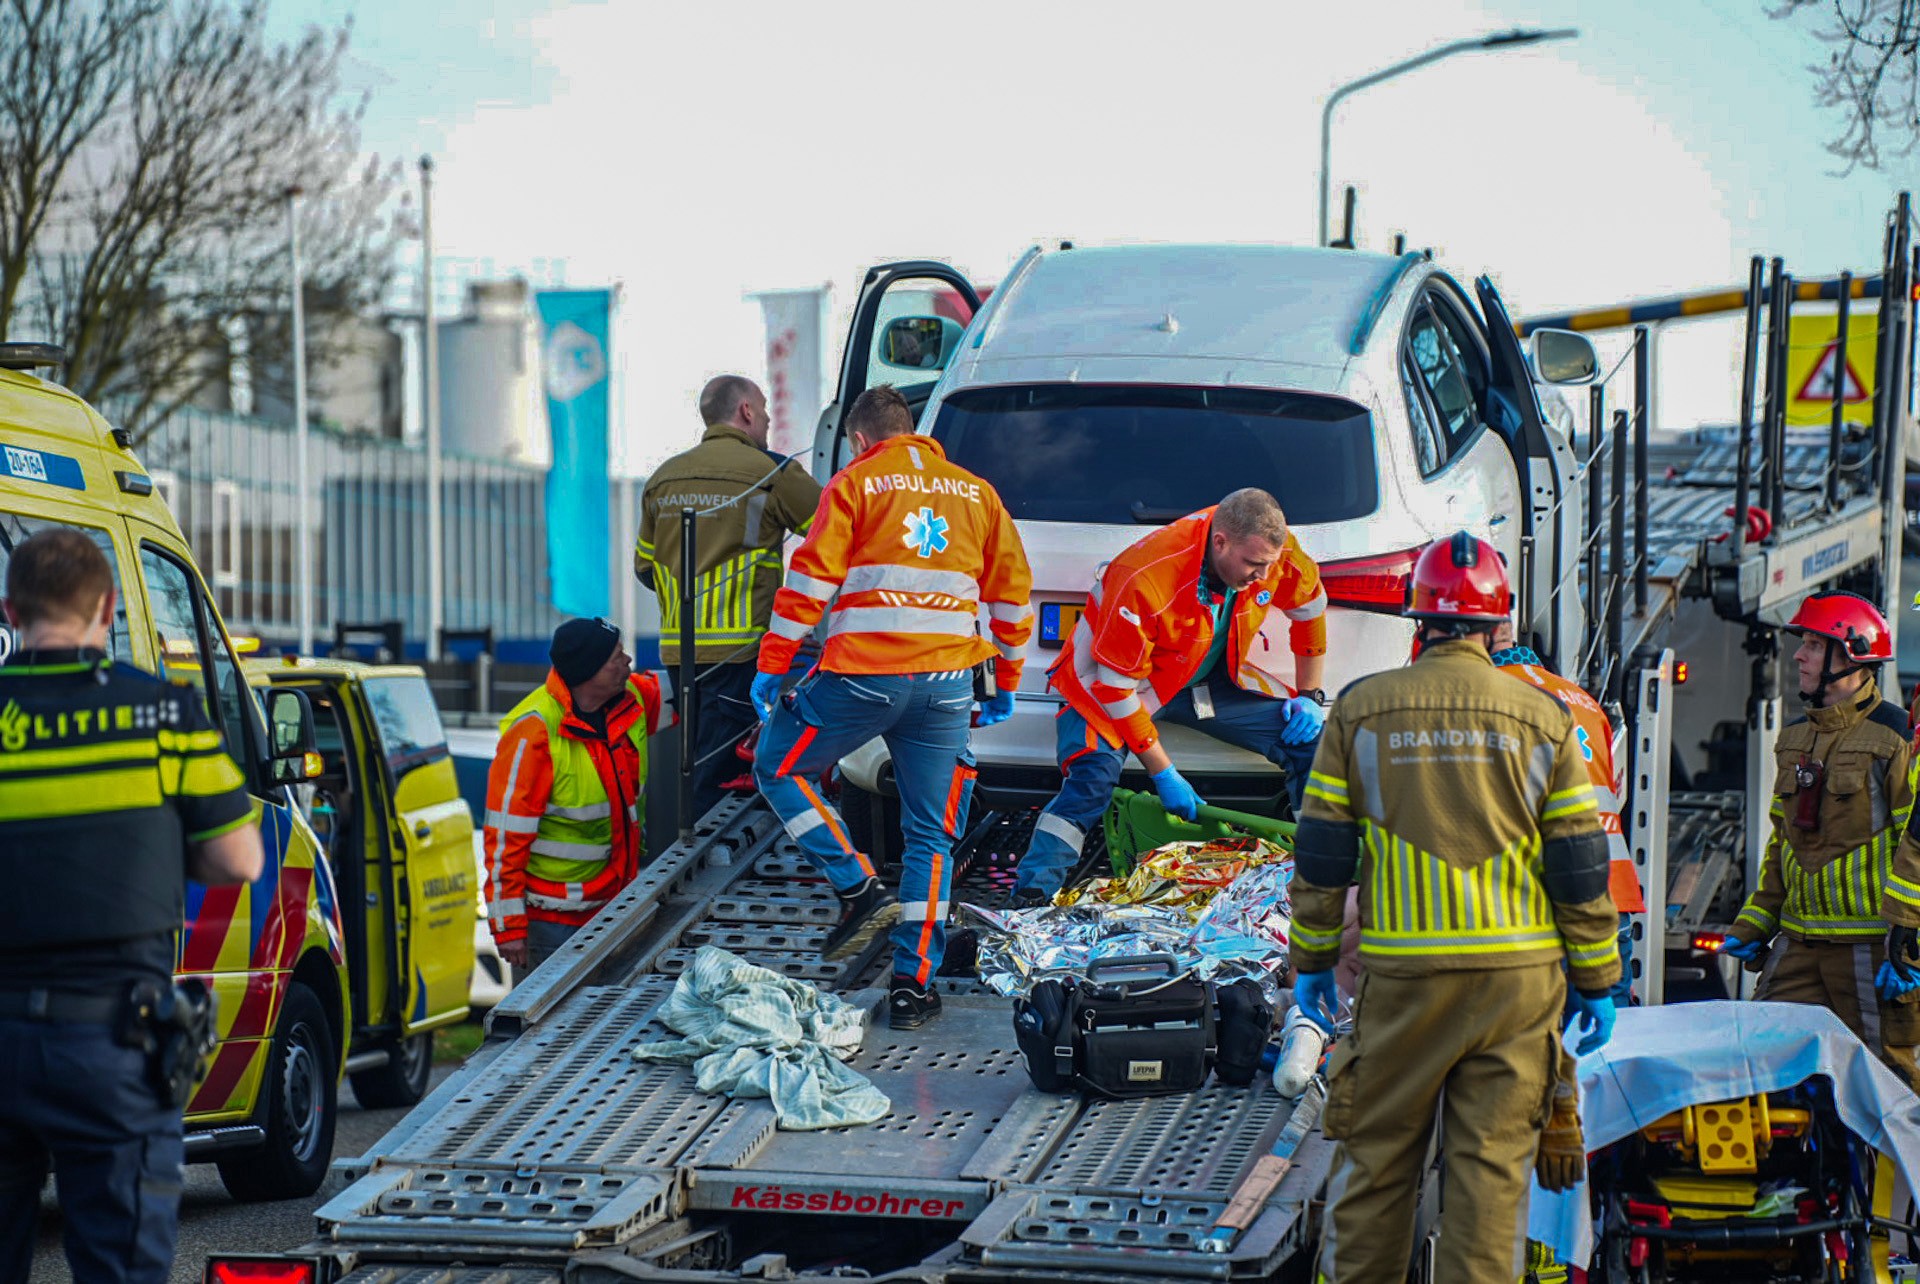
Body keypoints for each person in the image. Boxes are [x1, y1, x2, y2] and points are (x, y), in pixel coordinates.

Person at [1290, 532, 1621, 1283]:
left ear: (1419, 619)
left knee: (1374, 1173)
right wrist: (1597, 980)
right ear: (1496, 620)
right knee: (1490, 1188)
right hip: (1518, 987)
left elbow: (1323, 855)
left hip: (1403, 985)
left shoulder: (1361, 711)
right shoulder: (1543, 718)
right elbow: (1578, 865)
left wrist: (1311, 963)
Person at [0, 529, 264, 1282]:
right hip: (111, 1042)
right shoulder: (160, 713)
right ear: (108, 609)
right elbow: (239, 859)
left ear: (9, 608)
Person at [752, 384, 1031, 1029]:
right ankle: (912, 987)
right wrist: (1007, 681)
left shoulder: (853, 485)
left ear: (858, 439)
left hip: (864, 677)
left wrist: (772, 667)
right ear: (914, 431)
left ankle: (856, 885)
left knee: (778, 766)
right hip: (948, 686)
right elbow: (1013, 595)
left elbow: (808, 583)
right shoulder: (977, 493)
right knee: (931, 835)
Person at [1010, 488, 1328, 907]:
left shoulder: (1272, 550)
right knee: (1092, 779)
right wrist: (1163, 772)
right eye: (1253, 565)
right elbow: (1117, 691)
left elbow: (1310, 608)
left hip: (1201, 682)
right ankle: (1032, 893)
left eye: (1268, 565)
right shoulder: (1147, 574)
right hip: (1111, 684)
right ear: (1220, 542)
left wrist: (1310, 695)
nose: (1263, 576)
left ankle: (1322, 880)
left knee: (1312, 744)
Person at [1722, 591, 1918, 1088]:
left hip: (1871, 950)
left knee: (1885, 1082)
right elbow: (1781, 843)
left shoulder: (1897, 738)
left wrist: (1908, 937)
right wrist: (1755, 922)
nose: (1799, 656)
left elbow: (1915, 843)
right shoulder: (1793, 738)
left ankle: (1896, 1169)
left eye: (1812, 644)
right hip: (1798, 945)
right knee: (1757, 1064)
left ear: (1849, 654)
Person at [636, 375, 822, 821]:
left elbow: (645, 567)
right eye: (765, 412)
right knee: (722, 773)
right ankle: (707, 864)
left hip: (679, 650)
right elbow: (836, 534)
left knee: (697, 759)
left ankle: (695, 843)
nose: (769, 424)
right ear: (746, 413)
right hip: (739, 653)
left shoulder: (663, 477)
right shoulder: (772, 472)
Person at [482, 617, 669, 975]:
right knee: (548, 1028)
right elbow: (506, 839)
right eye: (617, 656)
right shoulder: (533, 734)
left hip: (614, 911)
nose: (628, 661)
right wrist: (509, 928)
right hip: (552, 926)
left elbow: (694, 691)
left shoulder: (631, 700)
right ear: (590, 671)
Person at [1490, 617, 1645, 1003]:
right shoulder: (1584, 701)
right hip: (1609, 901)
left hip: (1537, 908)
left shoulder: (1483, 701)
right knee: (1605, 1055)